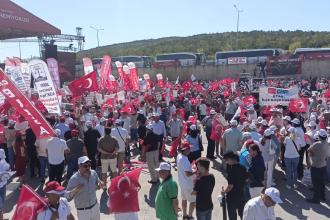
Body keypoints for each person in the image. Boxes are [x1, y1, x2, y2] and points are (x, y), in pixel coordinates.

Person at [66, 156, 104, 220]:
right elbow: (67, 197)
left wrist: (100, 184)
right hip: (83, 212)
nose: (88, 168)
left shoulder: (93, 173)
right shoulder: (74, 179)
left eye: (89, 165)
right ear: (79, 166)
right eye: (85, 166)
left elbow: (98, 183)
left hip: (95, 207)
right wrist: (75, 190)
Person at [222, 151, 249, 220]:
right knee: (242, 214)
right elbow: (246, 179)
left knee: (232, 216)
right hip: (241, 195)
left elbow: (230, 186)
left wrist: (224, 192)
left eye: (227, 160)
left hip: (232, 197)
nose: (226, 162)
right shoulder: (242, 167)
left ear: (232, 159)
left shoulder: (231, 170)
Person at [306, 129, 330, 203]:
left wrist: (312, 154)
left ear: (319, 136)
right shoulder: (327, 144)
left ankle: (316, 199)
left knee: (316, 183)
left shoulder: (317, 144)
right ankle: (322, 197)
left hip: (316, 166)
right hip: (323, 165)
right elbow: (327, 155)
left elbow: (309, 149)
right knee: (322, 182)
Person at [176, 143, 196, 220]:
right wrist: (195, 172)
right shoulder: (184, 159)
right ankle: (190, 216)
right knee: (193, 201)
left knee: (184, 199)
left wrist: (191, 168)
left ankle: (184, 215)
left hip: (182, 183)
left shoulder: (179, 156)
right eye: (188, 149)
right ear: (184, 150)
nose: (190, 150)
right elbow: (187, 174)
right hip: (188, 184)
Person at [0, 149, 10, 220]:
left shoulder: (3, 162)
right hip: (3, 185)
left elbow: (8, 171)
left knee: (1, 203)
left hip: (3, 184)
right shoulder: (4, 162)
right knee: (1, 204)